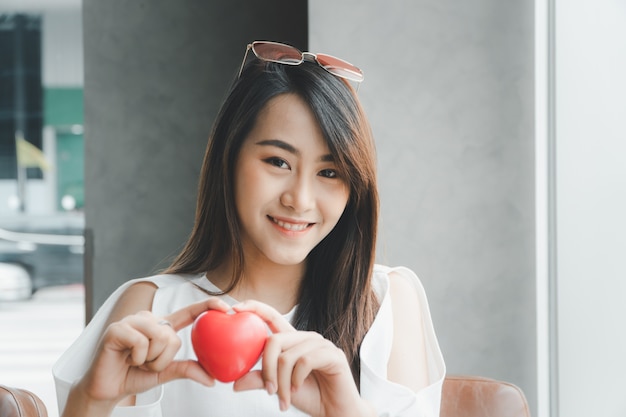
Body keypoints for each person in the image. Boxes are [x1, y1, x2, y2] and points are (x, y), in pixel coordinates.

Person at [53, 40, 445, 417]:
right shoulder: (152, 310)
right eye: (277, 162)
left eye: (329, 172)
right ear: (230, 158)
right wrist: (90, 402)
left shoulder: (385, 302)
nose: (301, 199)